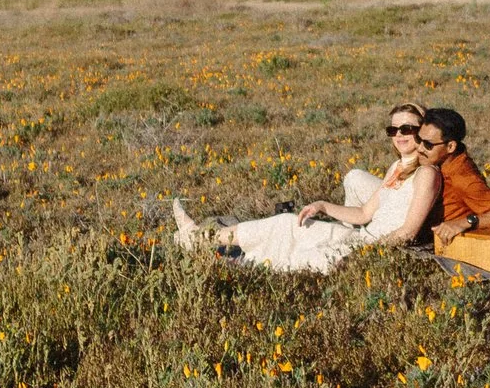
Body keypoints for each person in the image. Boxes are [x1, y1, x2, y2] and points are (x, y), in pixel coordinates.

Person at [170, 103, 439, 274]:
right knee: (287, 223)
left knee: (298, 255)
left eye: (407, 128)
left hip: (372, 249)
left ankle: (210, 251)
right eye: (393, 130)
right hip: (361, 238)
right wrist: (322, 206)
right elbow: (364, 214)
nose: (399, 135)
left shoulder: (426, 174)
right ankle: (200, 237)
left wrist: (365, 251)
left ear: (423, 131)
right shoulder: (397, 167)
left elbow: (407, 232)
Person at [413, 106, 490, 251]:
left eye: (428, 144)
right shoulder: (440, 159)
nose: (420, 148)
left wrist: (464, 222)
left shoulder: (464, 178)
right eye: (419, 139)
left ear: (450, 147)